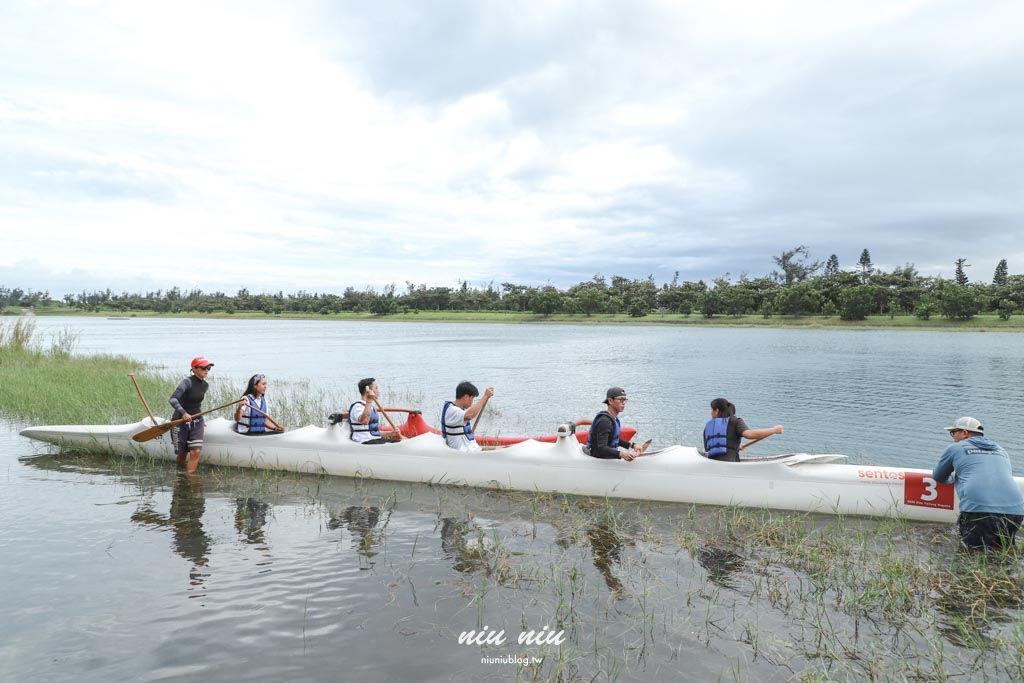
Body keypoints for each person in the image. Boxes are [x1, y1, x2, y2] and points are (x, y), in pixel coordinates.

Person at [932, 417, 1024, 551]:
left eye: (953, 433)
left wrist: (953, 478)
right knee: (1003, 552)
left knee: (971, 554)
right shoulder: (1001, 450)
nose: (953, 437)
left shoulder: (955, 448)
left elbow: (938, 476)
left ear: (965, 433)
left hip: (979, 510)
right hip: (1015, 511)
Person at [702, 397, 783, 462]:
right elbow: (750, 434)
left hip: (712, 464)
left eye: (711, 409)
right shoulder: (735, 421)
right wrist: (774, 430)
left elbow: (713, 447)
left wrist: (735, 446)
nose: (710, 412)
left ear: (717, 411)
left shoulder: (708, 427)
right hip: (731, 464)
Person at [169, 356, 213, 473]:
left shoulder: (205, 385)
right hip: (180, 421)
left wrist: (200, 418)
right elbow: (173, 399)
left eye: (208, 368)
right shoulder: (187, 382)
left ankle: (191, 478)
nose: (206, 370)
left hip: (197, 421)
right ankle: (180, 476)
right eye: (203, 368)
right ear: (194, 369)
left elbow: (196, 404)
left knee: (196, 451)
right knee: (182, 454)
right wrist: (183, 413)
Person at [585, 387, 646, 461]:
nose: (623, 403)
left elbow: (613, 439)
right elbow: (601, 448)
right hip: (599, 461)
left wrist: (633, 445)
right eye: (620, 399)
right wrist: (622, 454)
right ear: (610, 401)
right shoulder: (604, 421)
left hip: (606, 459)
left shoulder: (614, 419)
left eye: (624, 400)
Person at [440, 381, 493, 451]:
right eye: (472, 398)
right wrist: (485, 397)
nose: (472, 403)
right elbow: (469, 415)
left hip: (471, 448)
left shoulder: (459, 410)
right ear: (465, 397)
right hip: (463, 452)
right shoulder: (452, 410)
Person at [349, 377, 402, 444]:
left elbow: (373, 432)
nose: (378, 391)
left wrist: (390, 433)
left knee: (399, 442)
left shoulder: (371, 407)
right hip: (363, 441)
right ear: (368, 391)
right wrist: (369, 400)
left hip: (374, 439)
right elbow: (364, 421)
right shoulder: (357, 407)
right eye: (376, 388)